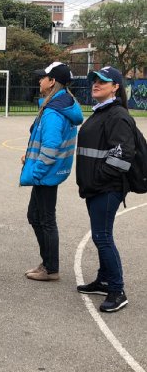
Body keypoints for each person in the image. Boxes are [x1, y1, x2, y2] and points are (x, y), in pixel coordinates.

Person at [75, 66, 134, 313]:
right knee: (102, 234)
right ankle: (104, 279)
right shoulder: (102, 112)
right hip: (95, 187)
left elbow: (123, 155)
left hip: (106, 189)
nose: (96, 84)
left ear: (116, 87)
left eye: (103, 81)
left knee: (102, 237)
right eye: (94, 80)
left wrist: (98, 179)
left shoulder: (117, 115)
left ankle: (117, 290)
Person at [21, 62, 83, 281]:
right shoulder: (58, 105)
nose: (40, 81)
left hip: (45, 174)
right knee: (36, 216)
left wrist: (36, 171)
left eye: (43, 77)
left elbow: (50, 147)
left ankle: (51, 267)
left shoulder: (54, 112)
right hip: (49, 172)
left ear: (52, 81)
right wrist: (30, 156)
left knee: (45, 219)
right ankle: (47, 263)